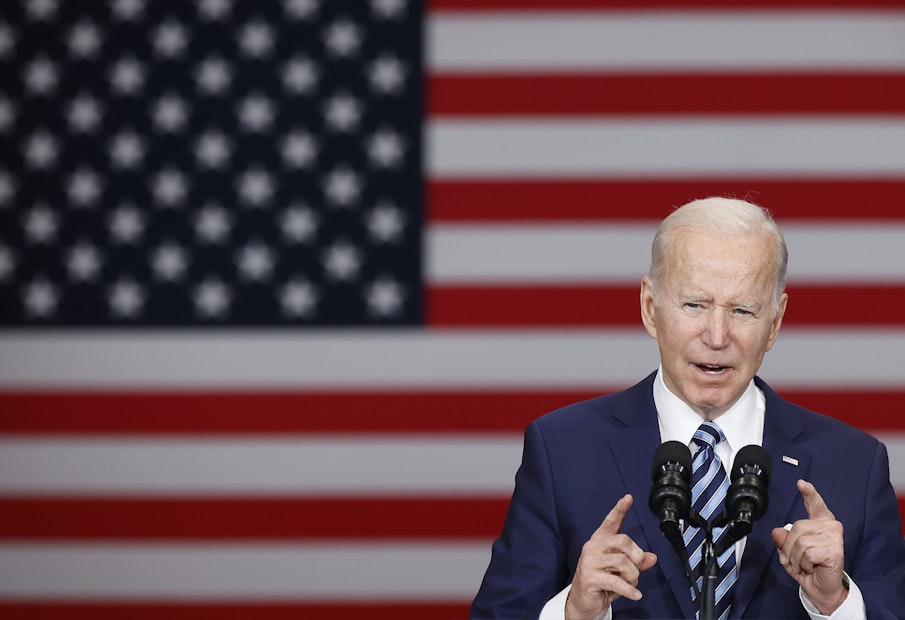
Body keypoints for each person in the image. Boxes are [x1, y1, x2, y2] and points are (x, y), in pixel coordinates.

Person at [470, 197, 905, 619]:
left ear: (774, 324)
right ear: (650, 308)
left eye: (743, 310)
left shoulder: (854, 464)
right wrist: (574, 612)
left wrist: (838, 606)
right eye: (695, 304)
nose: (717, 336)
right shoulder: (562, 449)